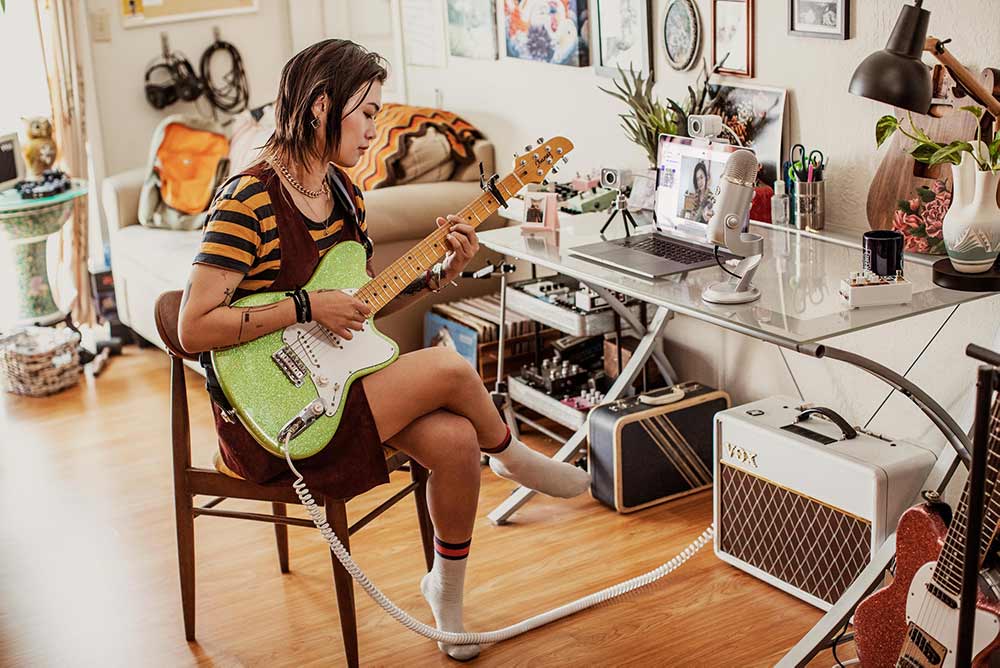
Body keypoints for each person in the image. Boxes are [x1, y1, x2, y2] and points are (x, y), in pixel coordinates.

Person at [177, 40, 589, 661]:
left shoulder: (344, 195)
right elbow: (193, 327)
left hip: (336, 386)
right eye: (367, 112)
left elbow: (359, 311)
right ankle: (510, 455)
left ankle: (444, 595)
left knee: (453, 444)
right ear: (321, 107)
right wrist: (308, 307)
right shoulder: (248, 200)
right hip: (271, 419)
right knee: (451, 366)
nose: (374, 129)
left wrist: (436, 275)